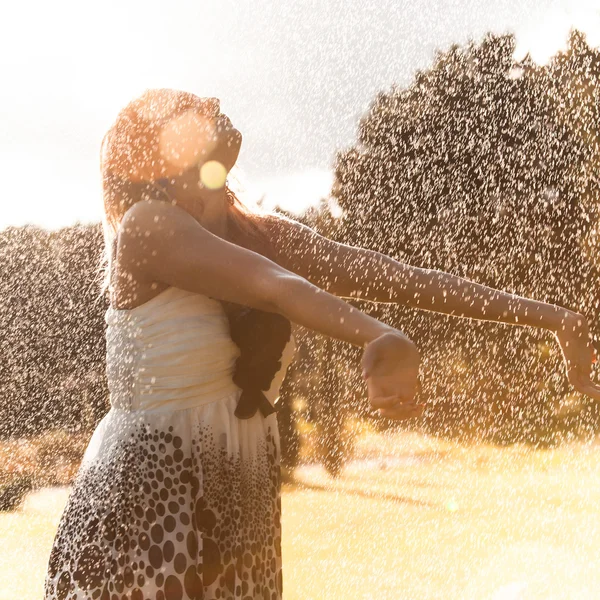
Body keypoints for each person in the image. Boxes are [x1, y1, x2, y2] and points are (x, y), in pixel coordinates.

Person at [44, 88, 600, 600]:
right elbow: (277, 288)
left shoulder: (259, 233)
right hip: (149, 502)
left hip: (239, 500)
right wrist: (376, 333)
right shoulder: (147, 228)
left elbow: (401, 280)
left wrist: (553, 319)